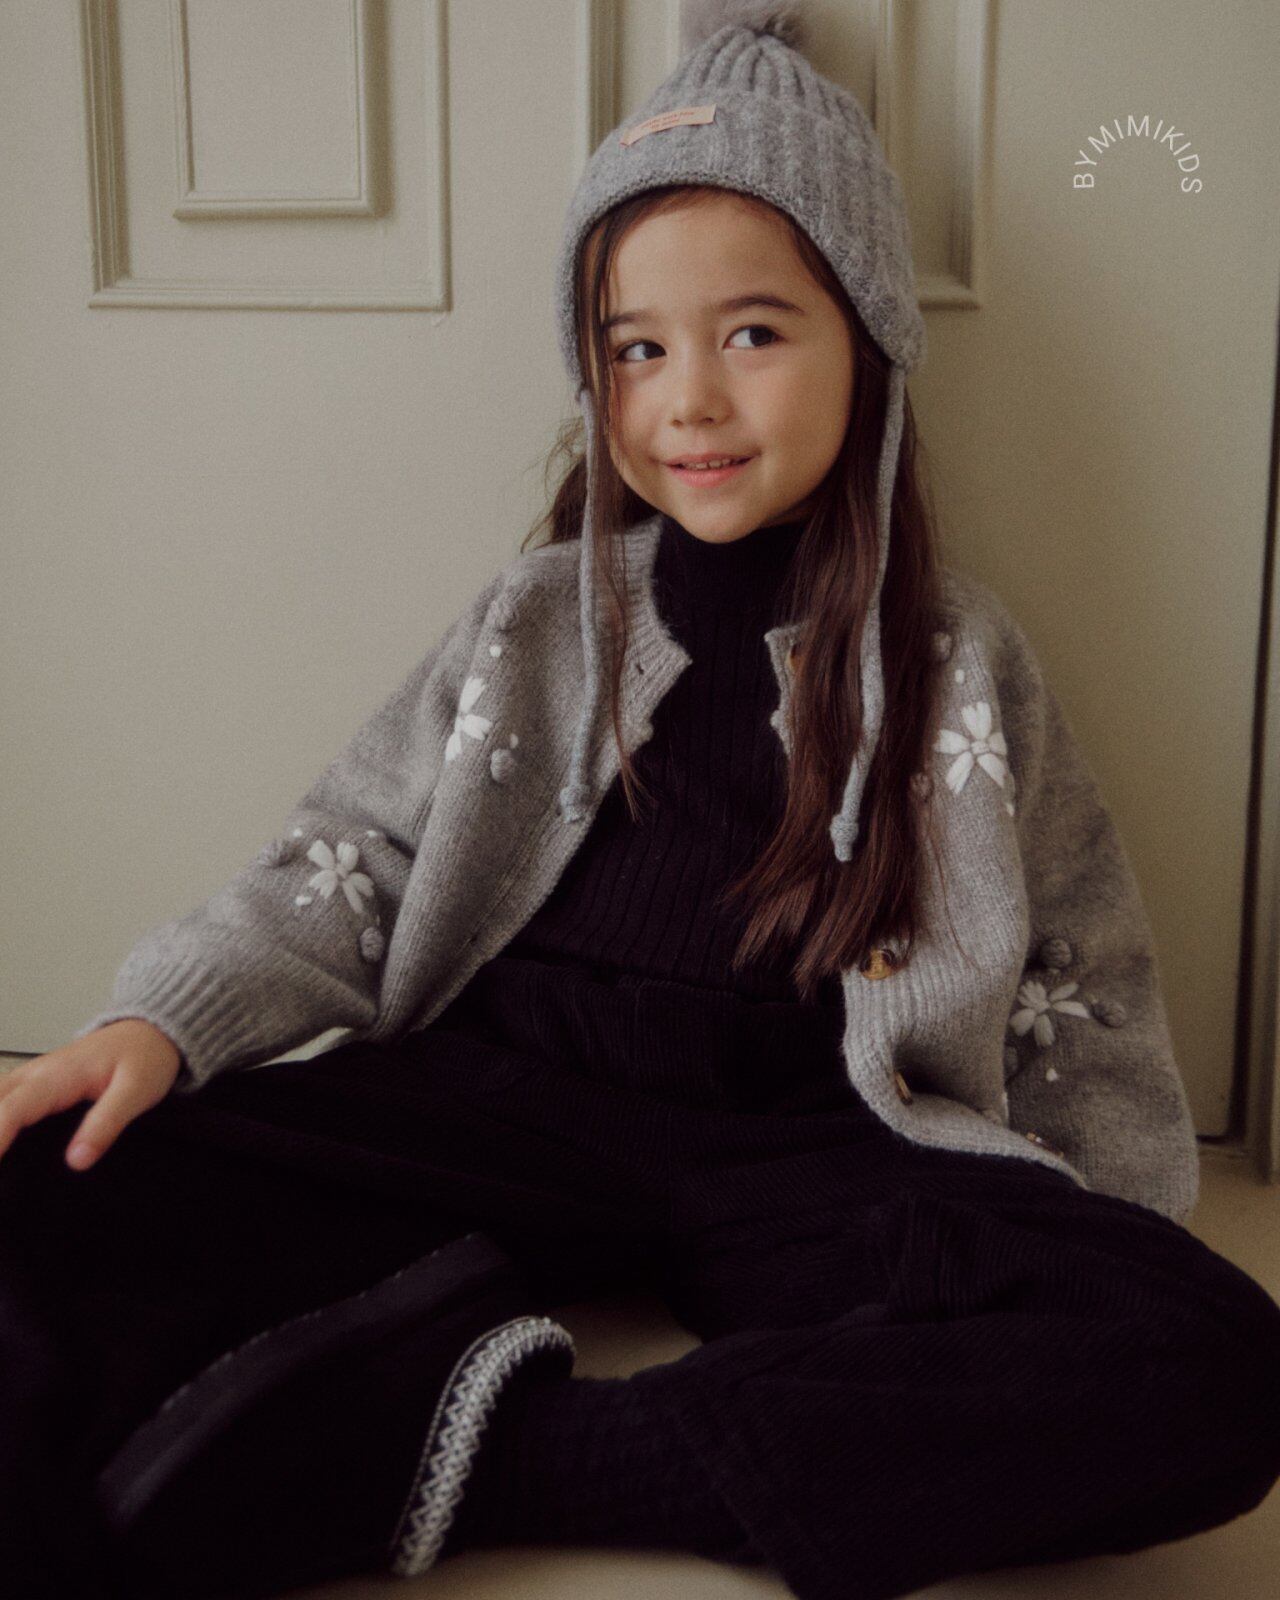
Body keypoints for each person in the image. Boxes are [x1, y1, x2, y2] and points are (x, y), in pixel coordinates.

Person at [3, 3, 1280, 1598]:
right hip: (500, 1099)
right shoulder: (538, 618)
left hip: (805, 1142)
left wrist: (1093, 1220)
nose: (689, 400)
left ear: (868, 335)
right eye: (637, 349)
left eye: (754, 333)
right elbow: (356, 856)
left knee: (1209, 1359)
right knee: (48, 1196)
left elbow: (1076, 965)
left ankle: (531, 1460)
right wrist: (167, 1017)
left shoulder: (958, 657)